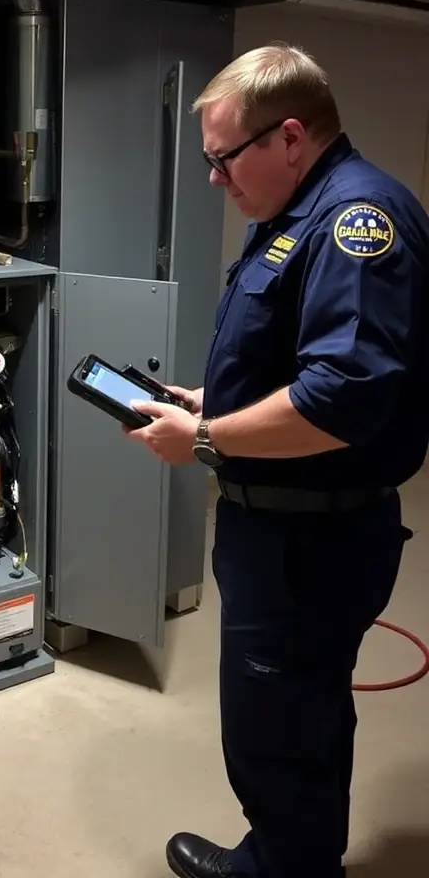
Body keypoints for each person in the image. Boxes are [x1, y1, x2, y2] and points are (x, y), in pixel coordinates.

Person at [125, 43, 429, 878]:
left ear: (290, 137)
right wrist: (212, 405)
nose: (216, 180)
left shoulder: (355, 221)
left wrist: (209, 440)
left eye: (223, 159)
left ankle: (283, 868)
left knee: (274, 732)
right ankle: (297, 858)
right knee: (305, 720)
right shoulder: (299, 217)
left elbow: (341, 398)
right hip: (291, 535)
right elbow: (295, 365)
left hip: (309, 546)